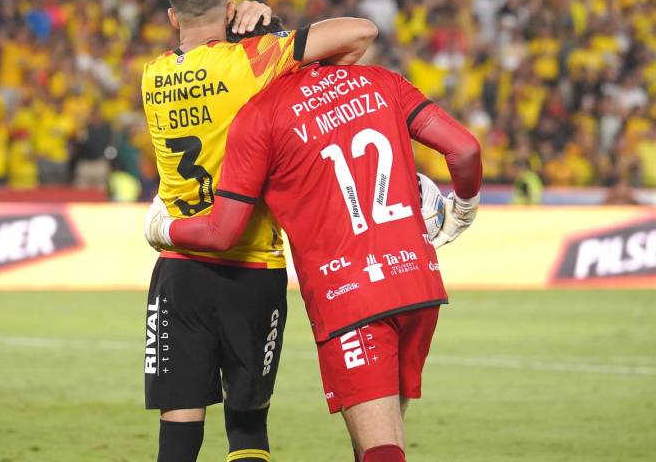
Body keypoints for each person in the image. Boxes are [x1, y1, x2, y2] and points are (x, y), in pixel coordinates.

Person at [145, 62, 482, 462]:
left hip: (350, 293)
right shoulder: (379, 79)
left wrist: (163, 228)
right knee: (382, 438)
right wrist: (463, 208)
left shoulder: (261, 113)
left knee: (380, 449)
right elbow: (466, 149)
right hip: (417, 280)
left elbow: (224, 231)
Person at [142, 0, 378, 462]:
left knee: (177, 435)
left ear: (171, 17)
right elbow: (359, 34)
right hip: (253, 270)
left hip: (181, 271)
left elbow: (206, 67)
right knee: (248, 428)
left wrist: (242, 28)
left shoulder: (153, 76)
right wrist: (269, 24)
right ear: (228, 10)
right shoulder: (255, 61)